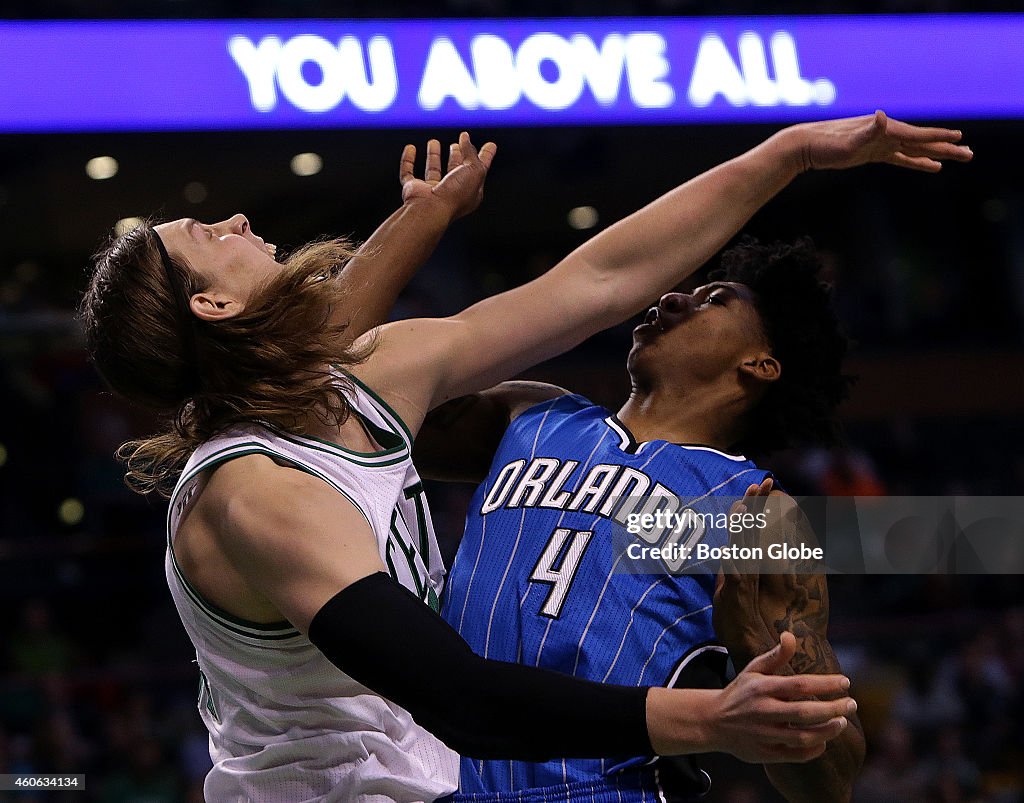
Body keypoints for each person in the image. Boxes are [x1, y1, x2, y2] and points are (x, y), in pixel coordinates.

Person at [79, 114, 967, 801]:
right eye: (208, 233)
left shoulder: (748, 511)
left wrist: (787, 153)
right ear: (215, 307)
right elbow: (459, 692)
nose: (235, 217)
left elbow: (595, 282)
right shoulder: (260, 493)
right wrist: (709, 718)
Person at [417, 238, 871, 802]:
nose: (674, 299)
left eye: (715, 300)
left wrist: (753, 643)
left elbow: (833, 780)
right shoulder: (529, 412)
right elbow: (360, 413)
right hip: (436, 785)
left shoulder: (761, 512)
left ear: (760, 364)